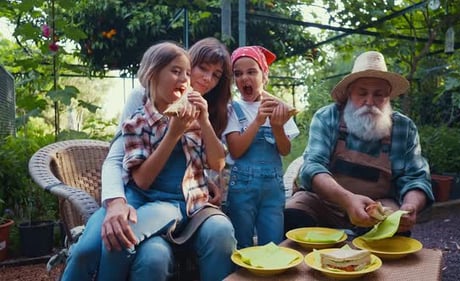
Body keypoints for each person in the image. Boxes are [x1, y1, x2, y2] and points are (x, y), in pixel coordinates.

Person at [62, 38, 236, 281]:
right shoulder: (140, 106)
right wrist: (115, 202)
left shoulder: (202, 111)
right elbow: (119, 161)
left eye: (216, 75)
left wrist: (204, 177)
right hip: (137, 197)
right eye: (201, 69)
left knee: (219, 231)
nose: (206, 79)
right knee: (95, 248)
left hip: (178, 204)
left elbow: (213, 162)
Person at [284, 51, 434, 237]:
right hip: (325, 204)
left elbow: (416, 178)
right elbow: (312, 167)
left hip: (378, 208)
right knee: (293, 214)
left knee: (396, 232)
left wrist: (410, 205)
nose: (369, 102)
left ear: (389, 97)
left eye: (379, 95)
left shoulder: (404, 128)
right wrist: (347, 201)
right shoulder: (327, 117)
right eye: (362, 93)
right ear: (348, 94)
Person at [223, 46, 300, 249]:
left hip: (272, 190)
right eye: (238, 74)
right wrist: (258, 120)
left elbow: (284, 150)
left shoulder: (280, 107)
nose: (244, 78)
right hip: (241, 190)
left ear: (264, 75)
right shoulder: (232, 109)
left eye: (252, 72)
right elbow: (236, 151)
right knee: (241, 244)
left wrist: (276, 126)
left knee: (273, 244)